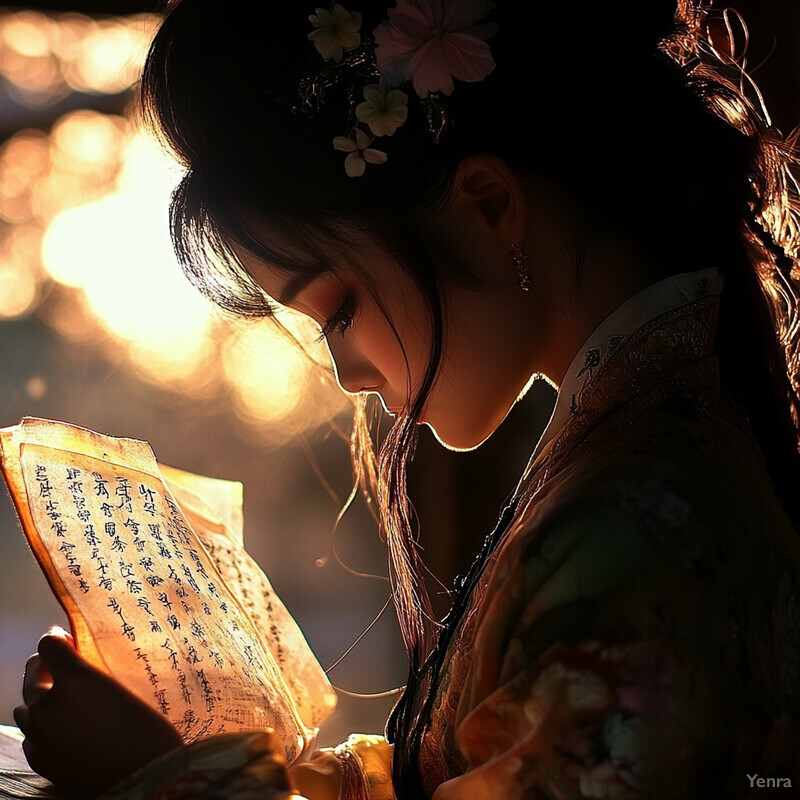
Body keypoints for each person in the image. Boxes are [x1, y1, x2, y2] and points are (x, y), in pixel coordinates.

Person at [13, 0, 800, 797]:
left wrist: (160, 778)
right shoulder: (644, 457)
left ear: (490, 208)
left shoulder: (632, 534)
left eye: (341, 308)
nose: (348, 373)